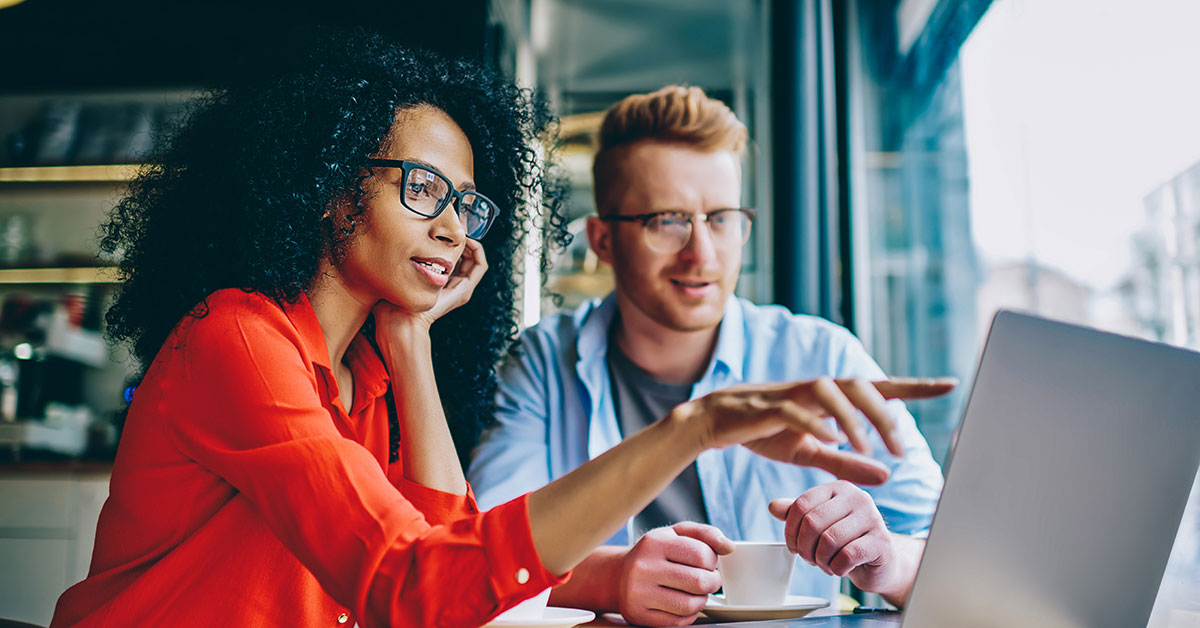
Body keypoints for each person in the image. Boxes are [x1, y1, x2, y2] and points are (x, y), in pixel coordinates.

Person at [49, 35, 952, 628]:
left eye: (466, 204)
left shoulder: (366, 374)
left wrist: (410, 344)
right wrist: (695, 428)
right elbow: (415, 587)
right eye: (423, 189)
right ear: (326, 189)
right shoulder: (239, 340)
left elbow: (450, 562)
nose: (453, 229)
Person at [467, 85, 948, 626]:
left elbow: (955, 555)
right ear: (602, 240)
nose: (703, 252)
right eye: (667, 221)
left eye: (721, 218)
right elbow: (480, 556)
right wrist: (612, 577)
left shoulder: (821, 356)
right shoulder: (544, 361)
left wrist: (887, 561)